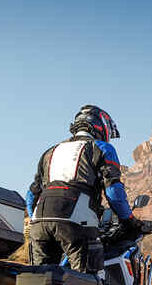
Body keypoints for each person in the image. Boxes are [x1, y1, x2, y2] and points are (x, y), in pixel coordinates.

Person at [25, 105, 141, 275]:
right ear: (101, 127)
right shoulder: (101, 147)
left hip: (39, 223)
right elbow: (113, 192)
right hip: (76, 223)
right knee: (87, 284)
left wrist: (37, 218)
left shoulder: (50, 151)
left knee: (40, 281)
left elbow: (31, 196)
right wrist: (129, 221)